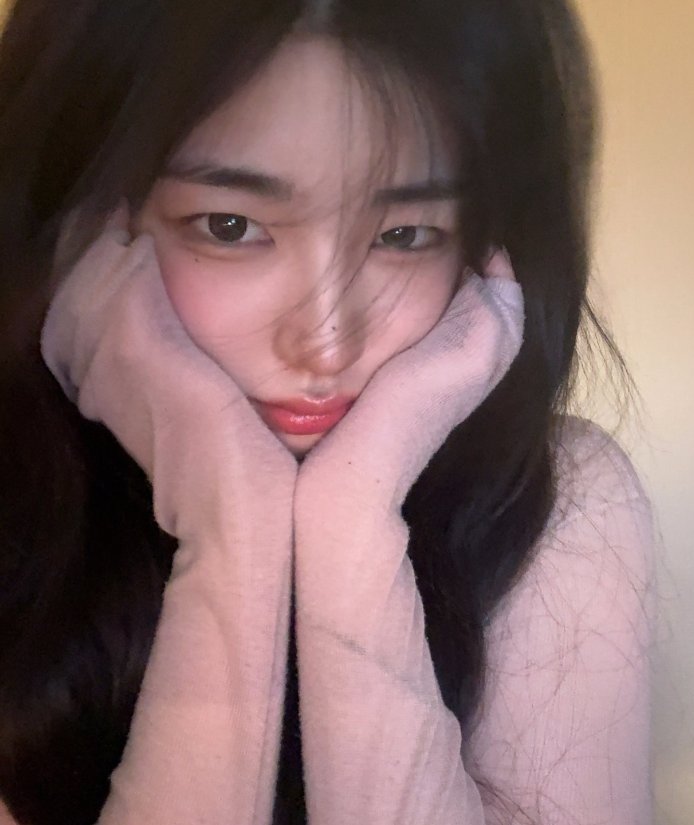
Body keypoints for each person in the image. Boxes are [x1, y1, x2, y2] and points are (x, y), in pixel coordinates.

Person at [0, 0, 656, 823]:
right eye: (228, 226)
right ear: (76, 233)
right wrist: (232, 527)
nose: (326, 341)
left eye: (406, 234)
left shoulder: (563, 499)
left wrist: (351, 521)